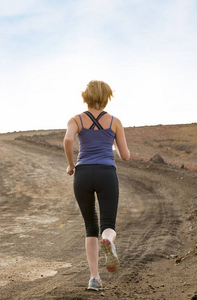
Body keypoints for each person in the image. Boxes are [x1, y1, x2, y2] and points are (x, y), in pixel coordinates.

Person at [63, 80, 130, 291]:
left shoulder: (76, 119)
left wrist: (71, 165)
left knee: (90, 227)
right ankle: (108, 241)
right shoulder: (115, 122)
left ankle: (94, 278)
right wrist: (113, 147)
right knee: (108, 224)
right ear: (107, 97)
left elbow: (67, 140)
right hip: (106, 173)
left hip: (82, 174)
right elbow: (126, 156)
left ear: (86, 96)